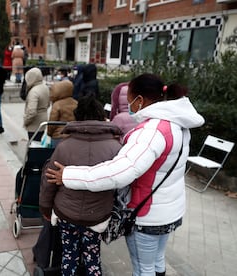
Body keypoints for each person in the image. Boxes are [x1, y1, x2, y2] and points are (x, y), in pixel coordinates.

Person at [45, 73, 205, 276]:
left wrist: (68, 175)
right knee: (157, 262)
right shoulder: (178, 125)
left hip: (148, 214)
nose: (129, 106)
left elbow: (118, 173)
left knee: (143, 269)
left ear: (140, 100)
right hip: (171, 210)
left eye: (130, 100)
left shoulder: (153, 131)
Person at [40, 94, 122, 275]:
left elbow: (49, 182)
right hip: (98, 215)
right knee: (93, 256)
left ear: (77, 116)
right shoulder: (115, 147)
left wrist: (45, 208)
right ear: (102, 116)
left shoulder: (64, 146)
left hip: (67, 213)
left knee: (69, 255)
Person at [47, 80, 77, 147]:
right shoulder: (76, 103)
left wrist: (49, 133)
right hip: (74, 136)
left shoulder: (57, 105)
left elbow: (52, 123)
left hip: (58, 136)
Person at [23, 67, 50, 141]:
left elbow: (31, 111)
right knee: (38, 143)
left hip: (34, 124)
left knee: (32, 145)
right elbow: (48, 104)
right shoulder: (45, 87)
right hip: (43, 120)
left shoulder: (33, 91)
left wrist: (26, 121)